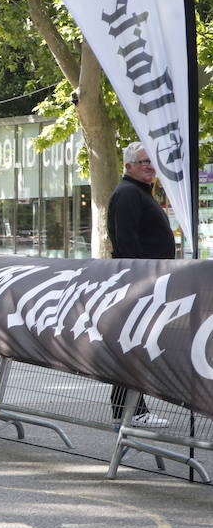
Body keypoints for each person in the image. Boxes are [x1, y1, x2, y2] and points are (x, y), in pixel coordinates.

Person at [106, 141, 175, 427]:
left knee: (135, 347)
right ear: (128, 166)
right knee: (133, 348)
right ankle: (132, 411)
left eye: (152, 161)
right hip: (140, 285)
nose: (149, 166)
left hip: (147, 283)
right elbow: (127, 243)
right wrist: (144, 282)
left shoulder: (138, 193)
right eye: (143, 161)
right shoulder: (128, 195)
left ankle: (131, 408)